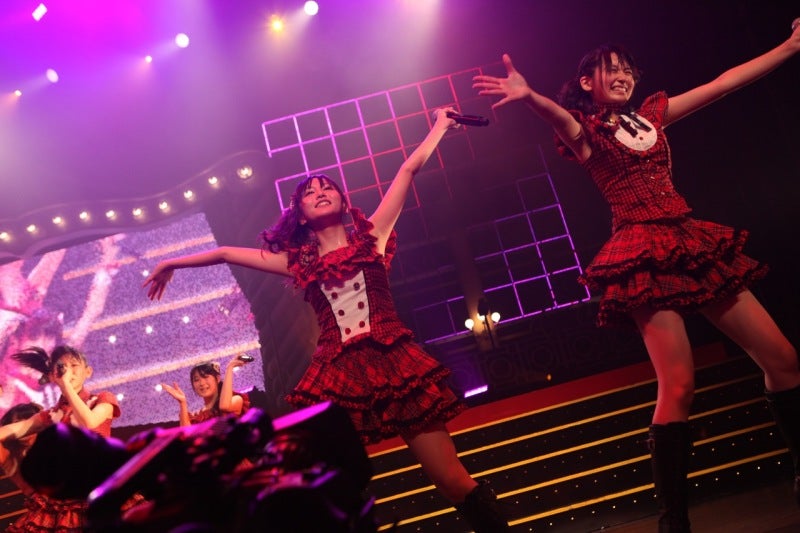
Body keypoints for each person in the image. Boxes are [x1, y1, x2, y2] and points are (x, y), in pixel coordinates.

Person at [472, 21, 800, 533]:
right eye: (612, 70)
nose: (623, 75)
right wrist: (530, 95)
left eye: (627, 69)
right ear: (588, 82)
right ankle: (674, 522)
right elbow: (559, 117)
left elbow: (724, 83)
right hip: (641, 251)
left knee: (783, 359)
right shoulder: (587, 132)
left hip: (688, 240)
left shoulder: (652, 115)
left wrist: (791, 46)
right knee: (679, 383)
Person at [143, 108, 510, 532]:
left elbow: (408, 170)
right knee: (331, 489)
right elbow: (226, 253)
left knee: (451, 480)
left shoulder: (371, 238)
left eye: (327, 187)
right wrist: (172, 262)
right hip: (338, 375)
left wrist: (441, 126)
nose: (320, 191)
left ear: (342, 201)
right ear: (299, 213)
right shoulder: (298, 263)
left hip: (394, 362)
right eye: (309, 191)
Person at [0, 346, 121, 531]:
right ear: (51, 376)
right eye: (62, 367)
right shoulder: (50, 415)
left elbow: (89, 422)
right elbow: (15, 429)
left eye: (74, 366)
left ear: (88, 372)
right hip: (64, 496)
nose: (68, 371)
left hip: (98, 488)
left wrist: (66, 387)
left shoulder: (103, 399)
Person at [160, 357, 251, 427]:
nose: (201, 383)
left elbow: (224, 406)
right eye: (196, 380)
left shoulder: (237, 400)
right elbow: (187, 434)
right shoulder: (199, 416)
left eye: (205, 377)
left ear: (217, 379)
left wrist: (229, 368)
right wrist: (182, 402)